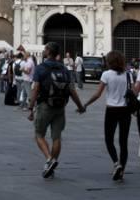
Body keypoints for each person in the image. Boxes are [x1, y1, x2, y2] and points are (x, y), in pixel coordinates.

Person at [28, 42, 86, 179]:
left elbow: (36, 88)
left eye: (45, 49)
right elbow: (72, 90)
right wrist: (80, 106)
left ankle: (49, 159)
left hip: (45, 105)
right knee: (57, 137)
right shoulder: (64, 69)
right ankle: (51, 166)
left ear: (48, 51)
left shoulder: (41, 68)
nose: (43, 51)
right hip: (60, 107)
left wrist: (30, 107)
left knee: (39, 134)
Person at [82, 51, 132, 181]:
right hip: (125, 110)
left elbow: (98, 94)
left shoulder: (106, 75)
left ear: (109, 61)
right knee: (123, 142)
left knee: (109, 140)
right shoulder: (128, 75)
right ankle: (122, 171)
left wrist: (86, 104)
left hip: (112, 110)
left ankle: (116, 163)